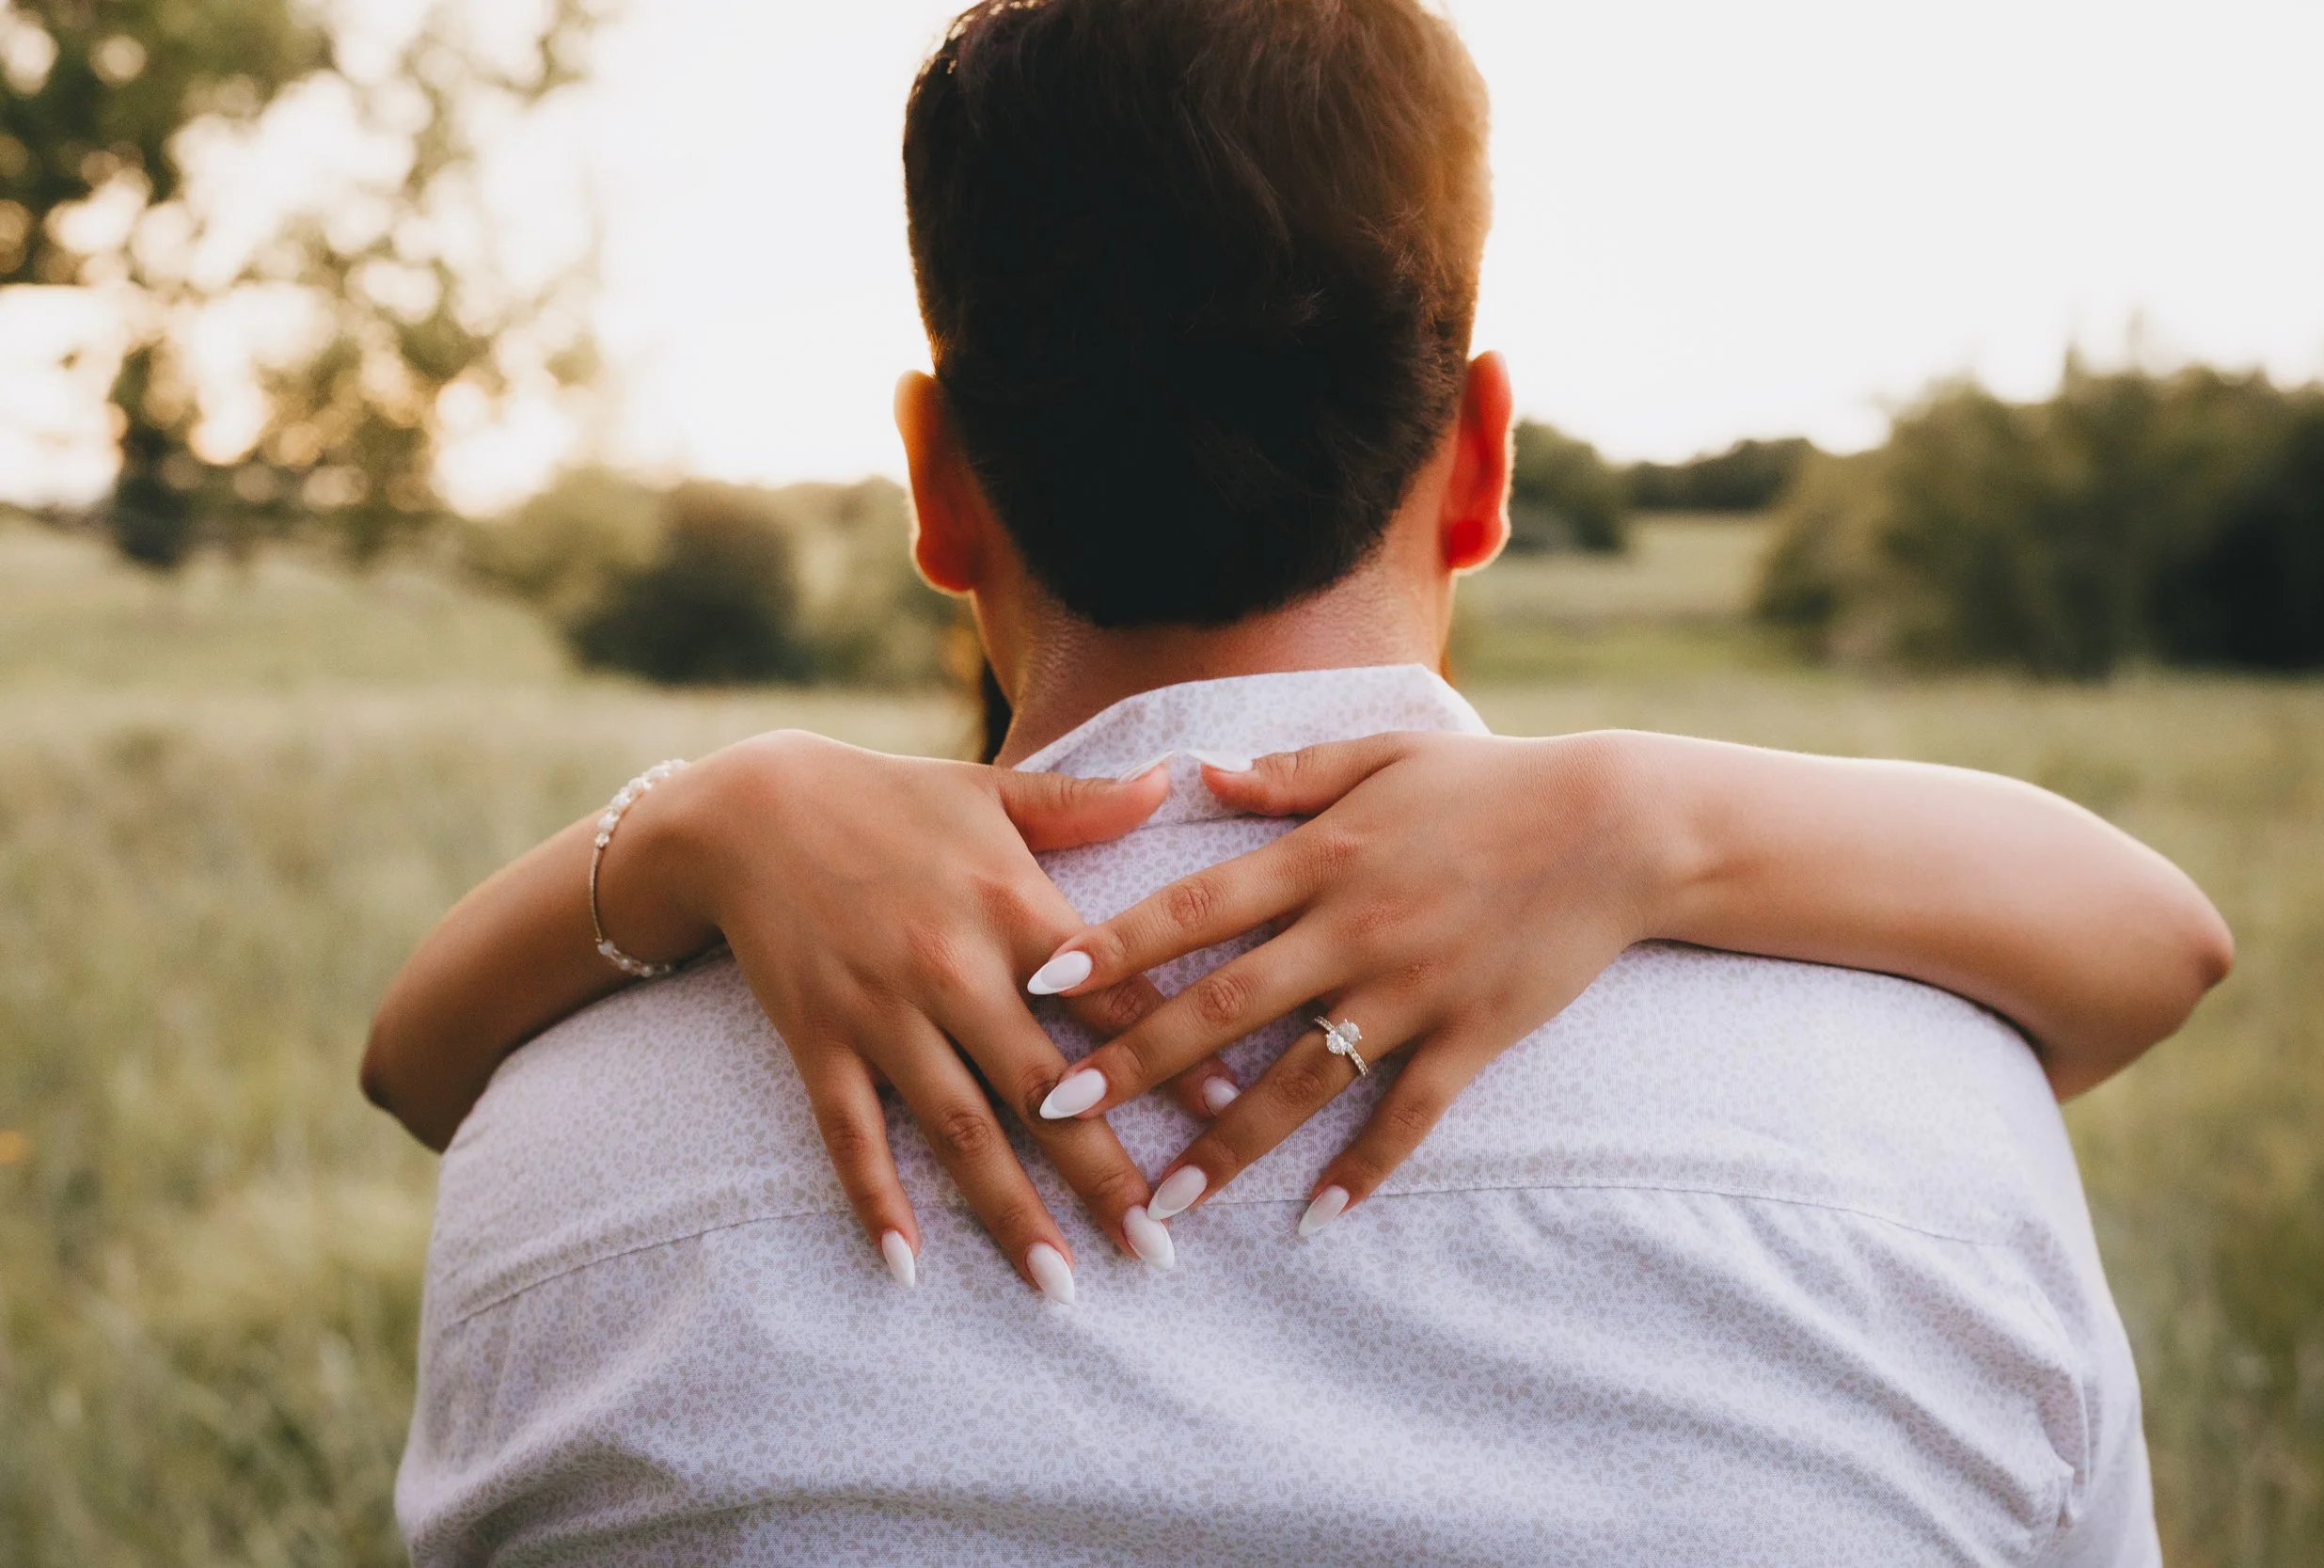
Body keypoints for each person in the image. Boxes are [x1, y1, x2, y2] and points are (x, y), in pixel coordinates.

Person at [378, 0, 2227, 1560]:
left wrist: (695, 811)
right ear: (1481, 456)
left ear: (936, 484)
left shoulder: (549, 1153)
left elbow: (410, 1064)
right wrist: (1652, 814)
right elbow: (2159, 942)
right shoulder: (1930, 1117)